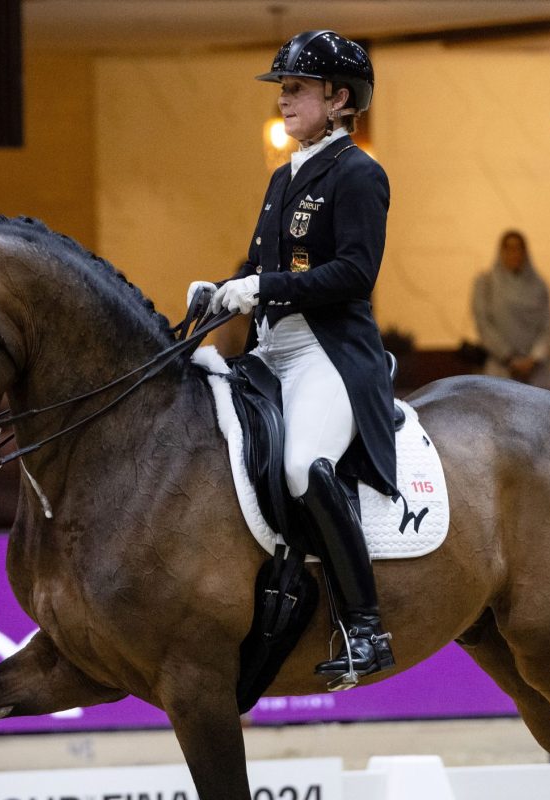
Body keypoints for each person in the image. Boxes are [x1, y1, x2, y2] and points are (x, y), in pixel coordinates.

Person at [190, 30, 396, 683]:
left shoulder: (360, 173)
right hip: (271, 349)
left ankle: (366, 628)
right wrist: (223, 291)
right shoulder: (285, 175)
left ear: (339, 100)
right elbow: (263, 266)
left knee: (306, 464)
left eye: (297, 88)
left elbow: (355, 273)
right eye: (283, 87)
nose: (283, 98)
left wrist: (264, 287)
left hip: (329, 353)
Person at [470, 230, 550, 390]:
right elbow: (484, 325)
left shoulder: (539, 285)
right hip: (501, 371)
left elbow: (546, 327)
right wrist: (509, 358)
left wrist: (533, 359)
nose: (514, 254)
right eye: (509, 248)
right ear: (501, 251)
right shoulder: (486, 284)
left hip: (537, 375)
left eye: (519, 249)